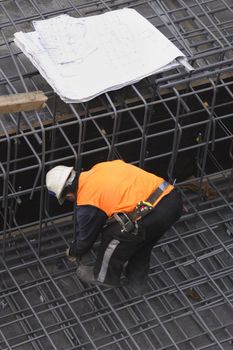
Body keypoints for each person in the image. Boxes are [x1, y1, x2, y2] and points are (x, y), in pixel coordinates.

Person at [46, 160, 183, 292]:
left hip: (152, 215)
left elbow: (86, 241)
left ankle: (104, 277)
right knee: (142, 242)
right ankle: (137, 284)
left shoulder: (87, 203)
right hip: (172, 200)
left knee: (113, 233)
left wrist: (73, 252)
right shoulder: (101, 167)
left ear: (68, 194)